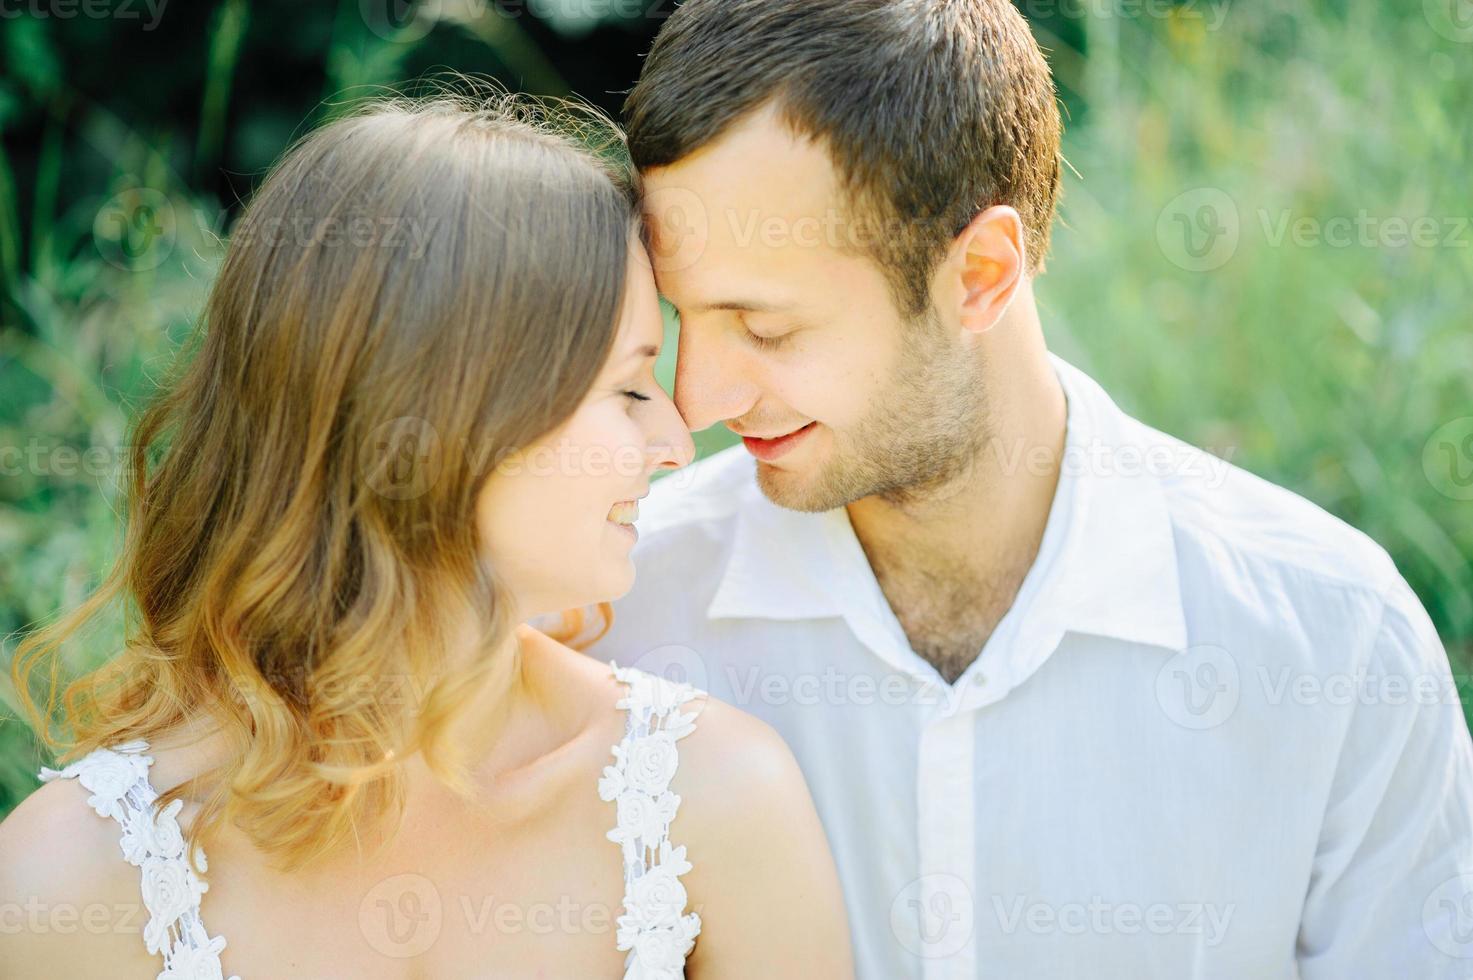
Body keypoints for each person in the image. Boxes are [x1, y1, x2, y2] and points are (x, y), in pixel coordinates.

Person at [588, 1, 1473, 977]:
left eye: (765, 328)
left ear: (980, 273)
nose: (697, 396)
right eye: (683, 319)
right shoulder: (617, 610)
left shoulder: (1335, 641)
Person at [0, 92, 852, 979]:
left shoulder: (708, 798)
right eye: (630, 388)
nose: (676, 443)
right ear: (448, 419)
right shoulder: (67, 883)